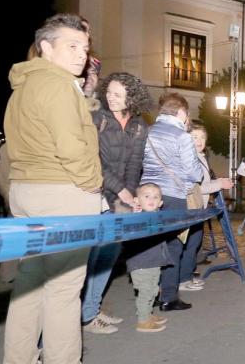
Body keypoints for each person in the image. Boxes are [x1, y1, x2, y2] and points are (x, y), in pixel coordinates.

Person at [3, 13, 103, 364]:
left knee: (30, 282)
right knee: (63, 290)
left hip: (25, 191)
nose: (81, 54)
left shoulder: (24, 85)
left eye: (85, 47)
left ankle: (19, 358)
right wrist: (92, 185)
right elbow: (70, 146)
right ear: (46, 47)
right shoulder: (59, 84)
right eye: (72, 46)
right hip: (63, 192)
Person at [80, 72, 153, 335]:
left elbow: (135, 164)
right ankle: (86, 316)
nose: (110, 98)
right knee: (91, 256)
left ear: (131, 98)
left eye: (117, 94)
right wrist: (120, 189)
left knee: (109, 254)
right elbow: (93, 161)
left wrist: (131, 195)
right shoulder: (97, 119)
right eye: (108, 92)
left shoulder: (139, 126)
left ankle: (93, 308)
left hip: (119, 196)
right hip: (95, 193)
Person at [142, 92, 205, 311]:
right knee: (173, 247)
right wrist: (197, 176)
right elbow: (194, 173)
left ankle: (149, 295)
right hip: (174, 196)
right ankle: (168, 296)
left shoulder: (147, 132)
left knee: (150, 246)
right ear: (181, 113)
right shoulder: (182, 136)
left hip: (149, 197)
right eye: (186, 115)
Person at [178, 123, 233, 291]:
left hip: (198, 207)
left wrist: (217, 183)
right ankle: (182, 280)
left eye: (202, 137)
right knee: (187, 243)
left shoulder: (200, 156)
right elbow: (194, 188)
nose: (199, 140)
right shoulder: (189, 157)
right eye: (195, 137)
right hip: (191, 206)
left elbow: (203, 183)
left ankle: (187, 276)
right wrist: (219, 184)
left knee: (194, 243)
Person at [125, 183, 172, 333]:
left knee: (152, 290)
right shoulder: (136, 217)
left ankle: (147, 314)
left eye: (155, 197)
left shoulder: (157, 215)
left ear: (161, 202)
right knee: (145, 291)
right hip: (141, 263)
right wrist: (134, 215)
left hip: (154, 261)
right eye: (146, 196)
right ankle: (143, 321)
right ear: (137, 200)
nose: (151, 199)